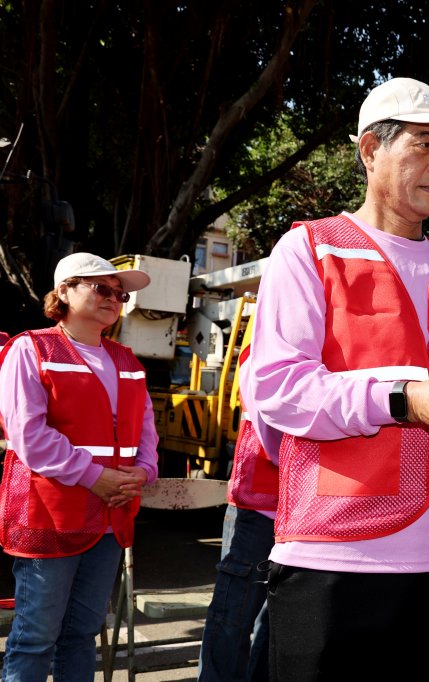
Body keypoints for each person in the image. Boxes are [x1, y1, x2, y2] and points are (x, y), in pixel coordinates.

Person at [246, 77, 429, 681]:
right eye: (423, 145)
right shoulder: (310, 249)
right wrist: (401, 398)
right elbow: (277, 387)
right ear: (371, 150)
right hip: (334, 557)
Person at [0, 252, 159, 682]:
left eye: (120, 293)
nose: (114, 298)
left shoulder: (127, 361)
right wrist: (99, 477)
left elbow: (146, 434)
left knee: (82, 635)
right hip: (50, 516)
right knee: (36, 636)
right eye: (101, 288)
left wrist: (143, 471)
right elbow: (29, 436)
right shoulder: (30, 349)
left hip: (110, 518)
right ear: (65, 291)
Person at [198, 314, 277, 682]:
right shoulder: (269, 342)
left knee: (276, 620)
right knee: (235, 615)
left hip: (300, 507)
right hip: (261, 505)